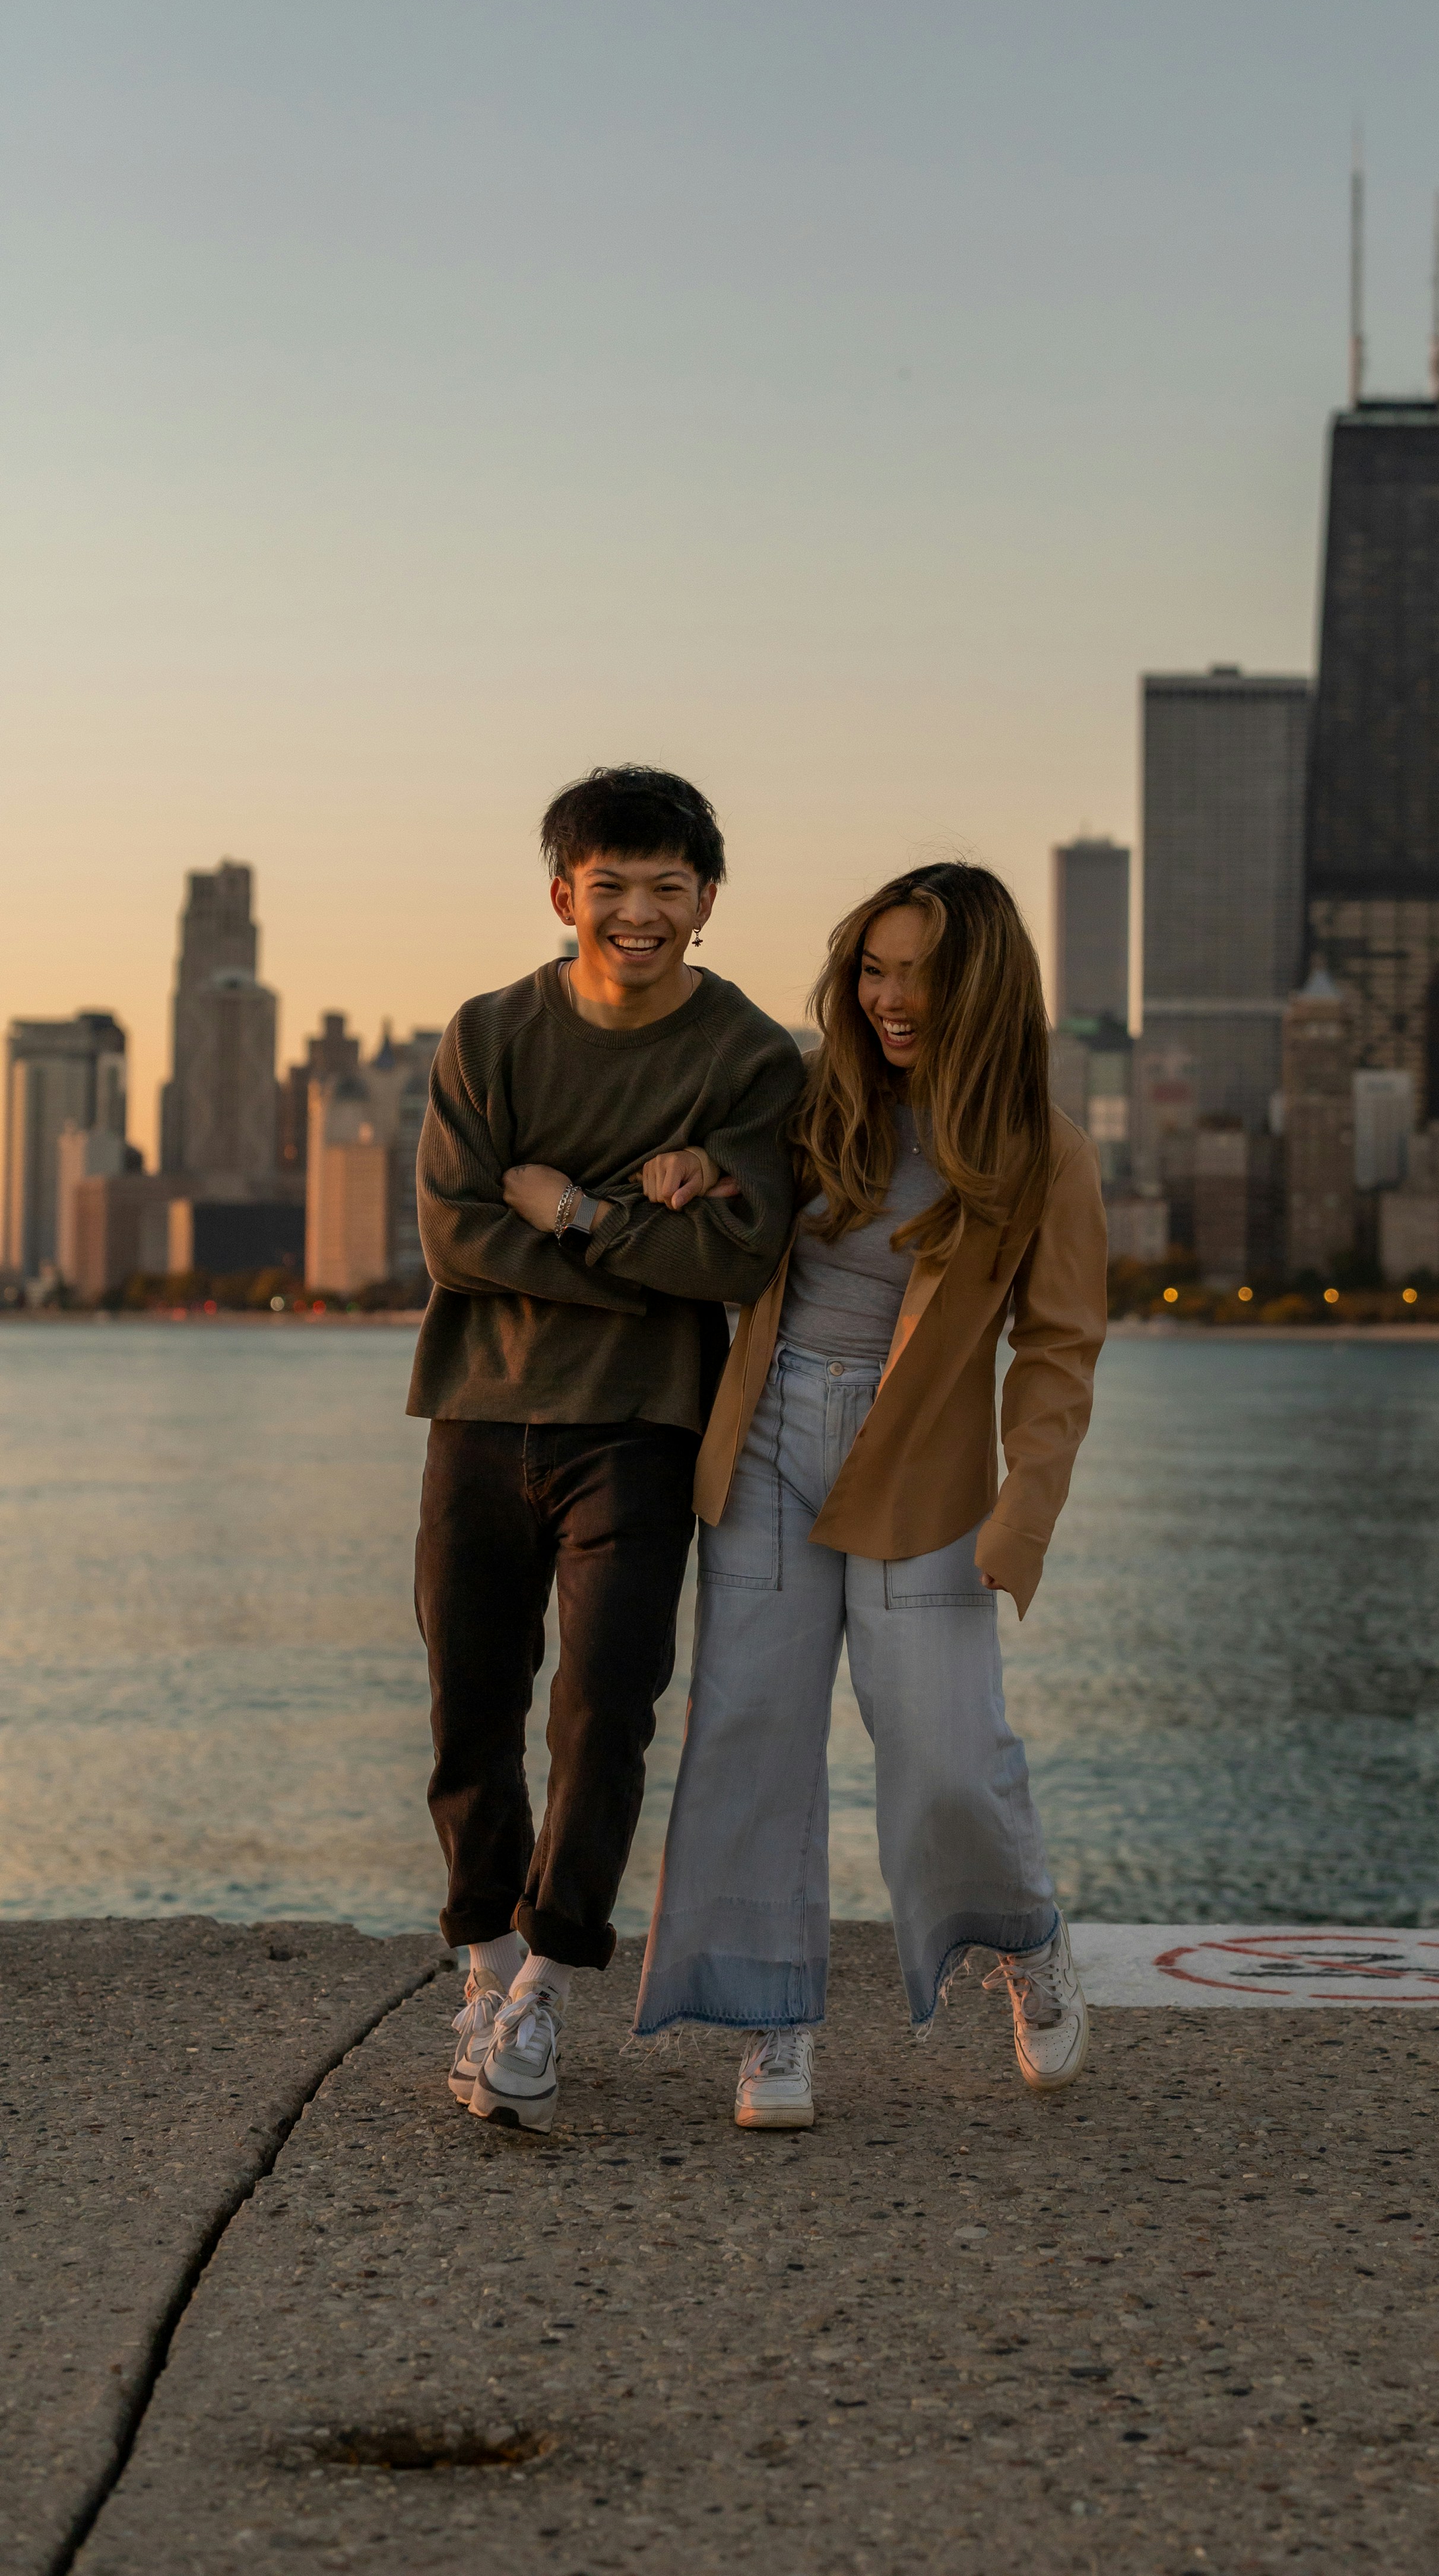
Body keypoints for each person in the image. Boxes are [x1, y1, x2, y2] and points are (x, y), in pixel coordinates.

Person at [630, 860, 1108, 2128]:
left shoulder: (1043, 1151)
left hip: (926, 1462)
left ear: (984, 989)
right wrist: (698, 1169)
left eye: (922, 976)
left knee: (948, 1747)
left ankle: (1027, 1932)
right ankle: (769, 2020)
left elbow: (1059, 1344)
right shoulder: (809, 1098)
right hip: (774, 1430)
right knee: (749, 1732)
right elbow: (736, 1195)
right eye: (875, 968)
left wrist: (1028, 1505)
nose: (890, 999)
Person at [410, 764, 803, 2132]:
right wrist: (646, 1235)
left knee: (603, 1714)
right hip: (478, 1411)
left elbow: (741, 1253)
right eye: (611, 884)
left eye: (667, 887)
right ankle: (486, 1961)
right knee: (471, 1707)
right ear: (563, 891)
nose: (637, 912)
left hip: (642, 1428)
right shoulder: (490, 1031)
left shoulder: (751, 1055)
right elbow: (453, 1231)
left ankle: (547, 1992)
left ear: (704, 903)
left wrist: (573, 1211)